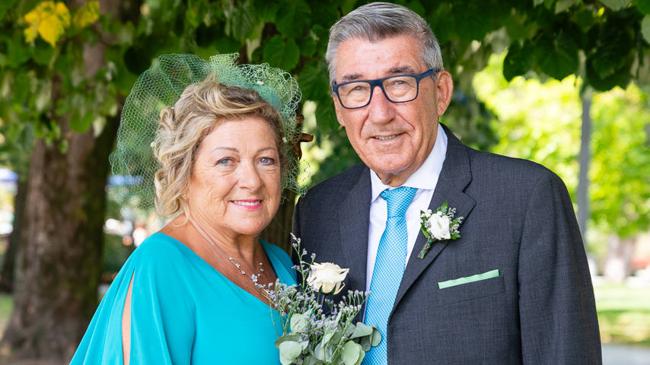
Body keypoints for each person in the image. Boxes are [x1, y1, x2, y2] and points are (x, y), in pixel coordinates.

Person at [293, 2, 601, 364]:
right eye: (357, 89)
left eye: (399, 83)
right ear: (339, 108)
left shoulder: (527, 198)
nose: (380, 113)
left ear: (441, 92)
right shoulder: (317, 211)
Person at [71, 54, 300, 364]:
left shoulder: (282, 264)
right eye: (225, 161)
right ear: (184, 172)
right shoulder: (162, 267)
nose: (252, 180)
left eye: (265, 160)